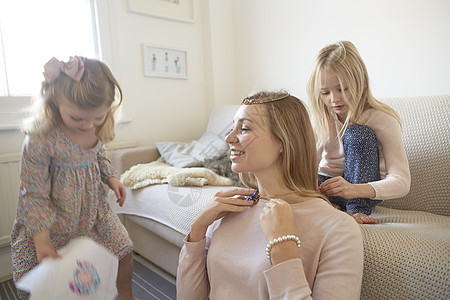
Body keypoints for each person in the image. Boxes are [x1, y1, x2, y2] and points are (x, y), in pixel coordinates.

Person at [177, 91, 364, 299]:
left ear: (284, 140)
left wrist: (283, 249)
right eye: (232, 128)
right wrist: (198, 230)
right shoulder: (228, 209)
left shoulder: (338, 229)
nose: (229, 138)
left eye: (245, 128)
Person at [10, 56, 137, 300]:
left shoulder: (96, 128)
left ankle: (126, 296)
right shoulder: (41, 138)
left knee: (124, 249)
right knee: (44, 276)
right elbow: (34, 193)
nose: (89, 125)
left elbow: (98, 153)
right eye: (78, 118)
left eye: (97, 117)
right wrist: (41, 237)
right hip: (52, 219)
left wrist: (111, 177)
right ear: (55, 102)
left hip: (92, 212)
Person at [307, 41, 411, 224]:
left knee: (357, 134)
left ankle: (357, 210)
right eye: (325, 92)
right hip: (327, 187)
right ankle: (330, 209)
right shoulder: (321, 118)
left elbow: (402, 181)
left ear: (360, 81)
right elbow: (308, 166)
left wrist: (354, 190)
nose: (334, 99)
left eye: (342, 89)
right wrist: (308, 185)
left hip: (361, 189)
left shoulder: (382, 119)